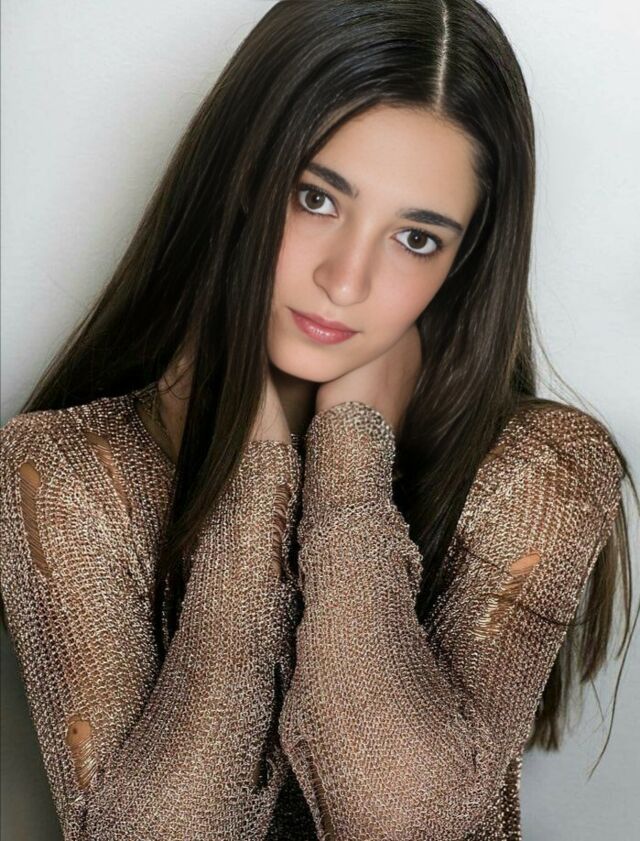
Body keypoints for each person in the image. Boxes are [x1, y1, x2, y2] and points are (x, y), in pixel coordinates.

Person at [0, 1, 637, 839]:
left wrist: (350, 472)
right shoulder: (65, 470)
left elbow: (409, 823)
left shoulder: (540, 467)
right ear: (241, 179)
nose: (345, 280)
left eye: (416, 239)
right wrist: (255, 477)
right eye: (316, 197)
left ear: (463, 263)